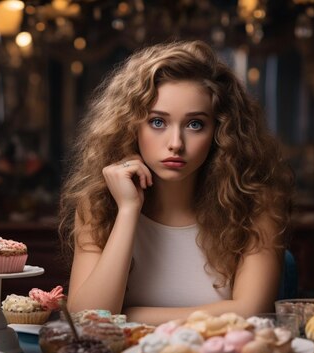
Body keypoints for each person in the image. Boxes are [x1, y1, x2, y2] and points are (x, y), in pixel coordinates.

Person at [59, 40, 293, 325]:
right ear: (131, 126)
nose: (175, 144)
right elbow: (86, 319)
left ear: (220, 131)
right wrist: (129, 209)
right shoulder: (98, 204)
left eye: (195, 124)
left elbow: (252, 312)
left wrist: (125, 315)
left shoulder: (254, 204)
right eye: (158, 122)